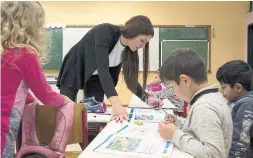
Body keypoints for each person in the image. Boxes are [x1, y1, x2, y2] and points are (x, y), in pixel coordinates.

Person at [57, 15, 163, 121]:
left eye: (146, 43)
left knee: (94, 113)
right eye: (142, 40)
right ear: (133, 32)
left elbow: (130, 80)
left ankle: (88, 136)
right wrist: (116, 104)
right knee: (66, 112)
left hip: (96, 78)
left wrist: (147, 98)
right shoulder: (105, 31)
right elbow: (103, 68)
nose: (143, 46)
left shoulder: (130, 50)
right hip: (74, 68)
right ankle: (62, 136)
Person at [1, 2, 71, 157]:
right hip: (3, 123)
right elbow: (46, 96)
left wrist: (29, 99)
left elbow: (11, 86)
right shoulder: (24, 54)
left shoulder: (3, 51)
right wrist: (64, 100)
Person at [157, 48, 233, 158]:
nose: (174, 93)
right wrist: (179, 121)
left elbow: (214, 154)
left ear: (185, 80)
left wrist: (174, 135)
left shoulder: (205, 107)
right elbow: (199, 128)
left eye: (171, 87)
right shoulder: (209, 98)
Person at [216, 60, 253, 158]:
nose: (221, 91)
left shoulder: (247, 104)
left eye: (224, 87)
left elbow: (240, 144)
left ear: (238, 88)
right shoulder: (234, 101)